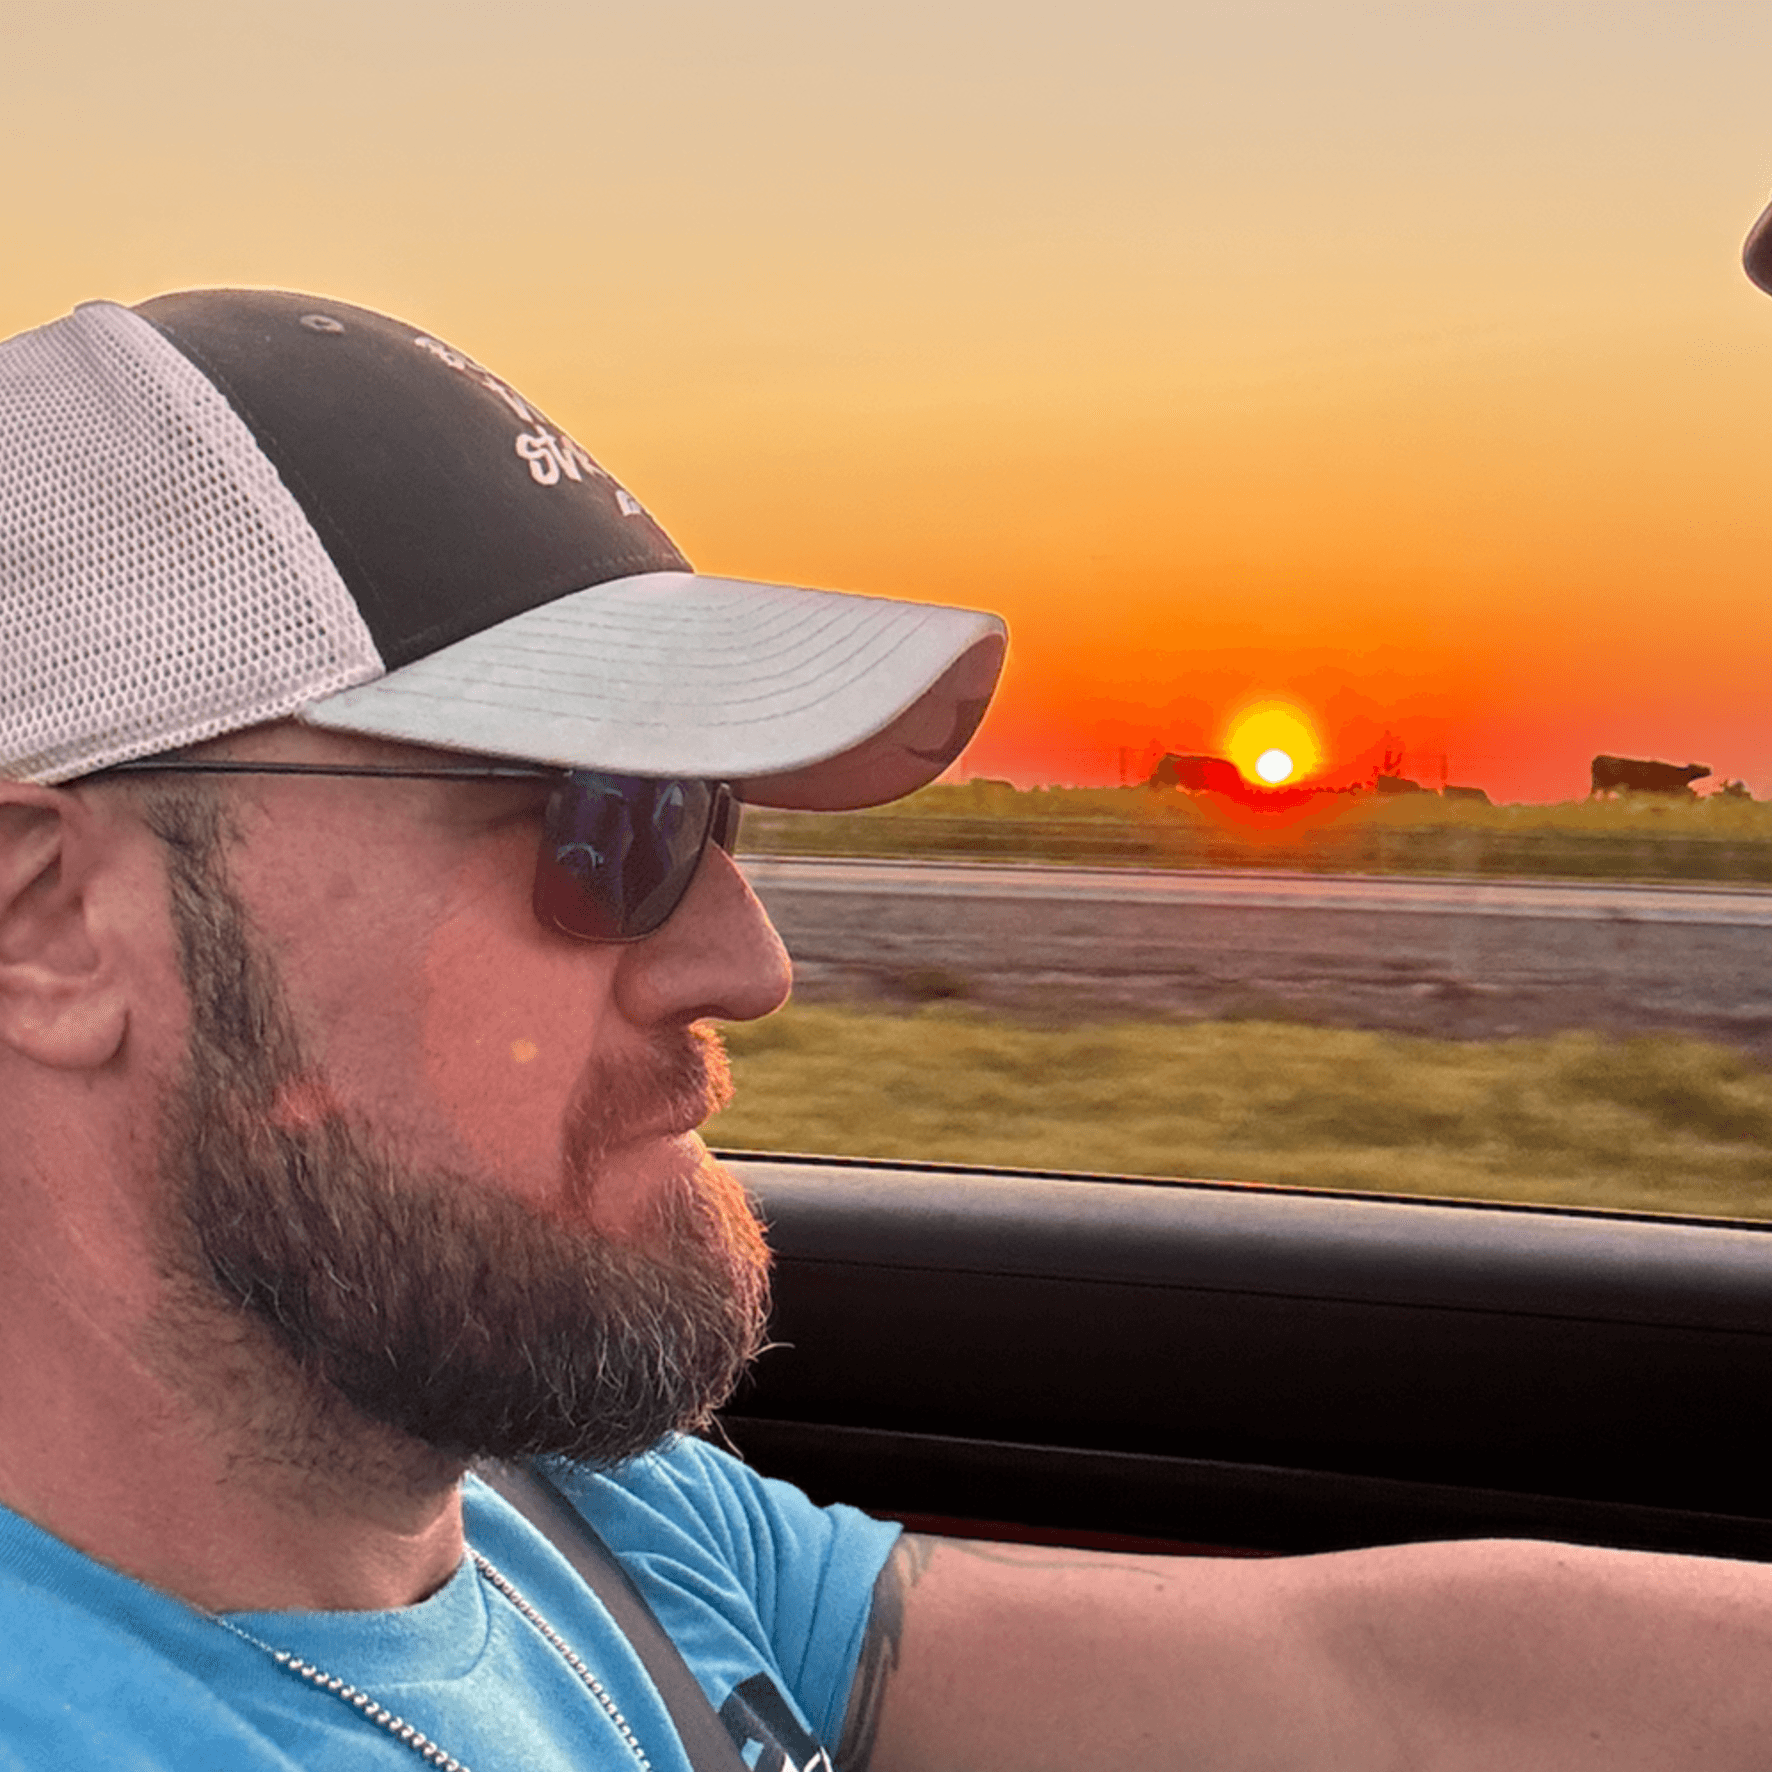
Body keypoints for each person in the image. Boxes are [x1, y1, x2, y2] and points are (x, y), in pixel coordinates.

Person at [2, 277, 1772, 1772]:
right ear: (52, 924)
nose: (745, 959)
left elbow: (1375, 1687)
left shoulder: (570, 1519)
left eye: (713, 813)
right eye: (594, 821)